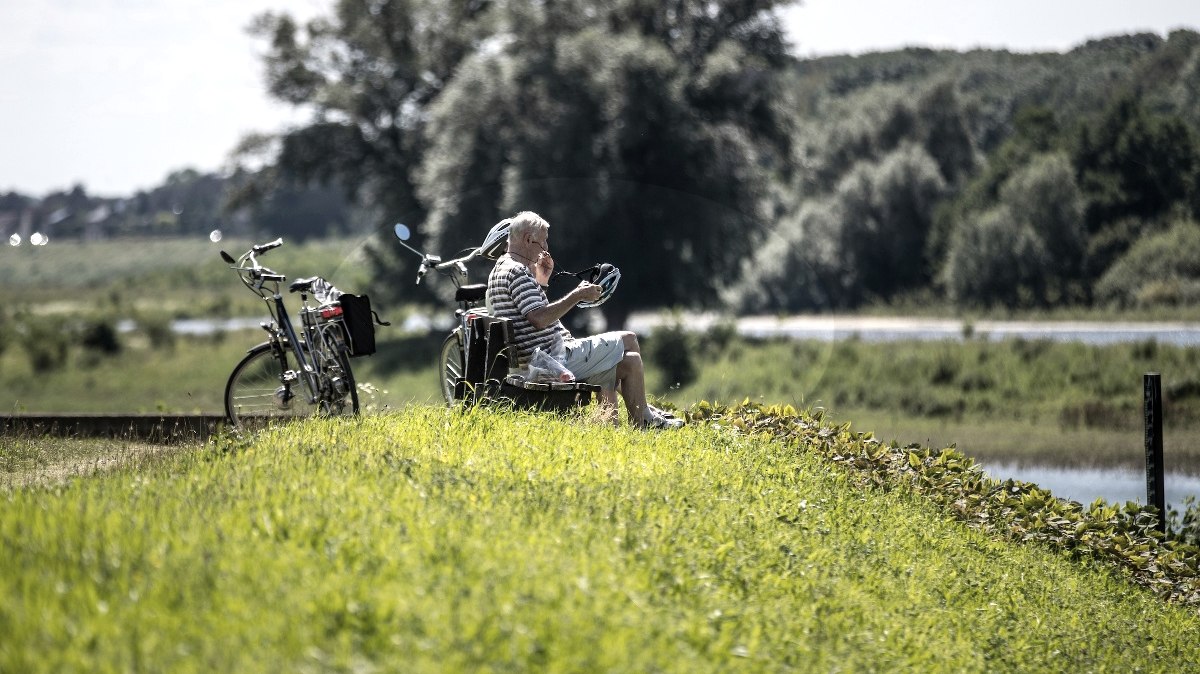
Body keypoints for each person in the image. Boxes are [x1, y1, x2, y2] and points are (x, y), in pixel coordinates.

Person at [485, 211, 683, 429]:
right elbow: (539, 319)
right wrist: (577, 295)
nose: (546, 249)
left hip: (537, 358)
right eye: (543, 243)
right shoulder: (518, 272)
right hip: (551, 360)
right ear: (527, 239)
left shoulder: (501, 268)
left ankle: (642, 419)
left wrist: (542, 280)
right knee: (629, 338)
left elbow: (527, 311)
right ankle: (646, 417)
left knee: (631, 362)